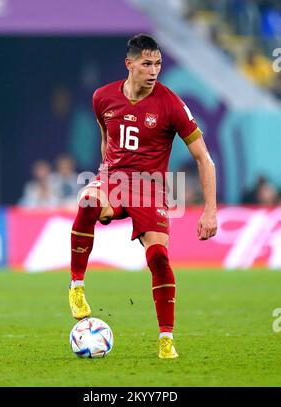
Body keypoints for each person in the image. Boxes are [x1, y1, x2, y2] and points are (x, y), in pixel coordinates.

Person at [69, 34, 217, 359]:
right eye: (147, 64)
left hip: (150, 188)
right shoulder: (102, 97)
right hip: (113, 179)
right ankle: (76, 287)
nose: (153, 71)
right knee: (89, 200)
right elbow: (106, 138)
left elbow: (204, 158)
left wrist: (210, 210)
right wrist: (104, 172)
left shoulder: (171, 104)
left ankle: (166, 340)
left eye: (158, 64)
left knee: (159, 259)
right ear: (130, 64)